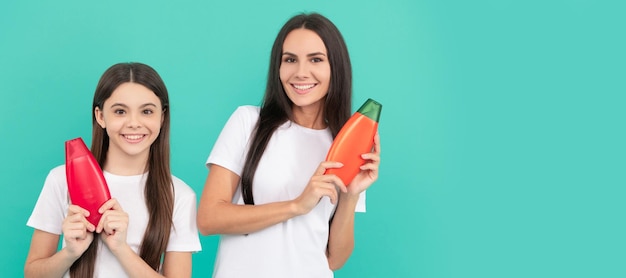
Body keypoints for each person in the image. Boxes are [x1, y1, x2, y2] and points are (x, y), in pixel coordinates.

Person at [197, 13, 381, 278]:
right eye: (290, 60)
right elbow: (209, 218)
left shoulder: (344, 146)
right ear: (278, 67)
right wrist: (297, 205)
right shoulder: (248, 122)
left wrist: (351, 194)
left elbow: (335, 259)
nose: (300, 72)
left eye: (315, 59)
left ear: (335, 68)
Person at [24, 62, 202, 278]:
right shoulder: (61, 179)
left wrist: (121, 249)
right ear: (100, 116)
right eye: (120, 111)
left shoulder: (180, 195)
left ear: (162, 117)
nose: (134, 123)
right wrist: (70, 253)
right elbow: (32, 274)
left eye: (147, 111)